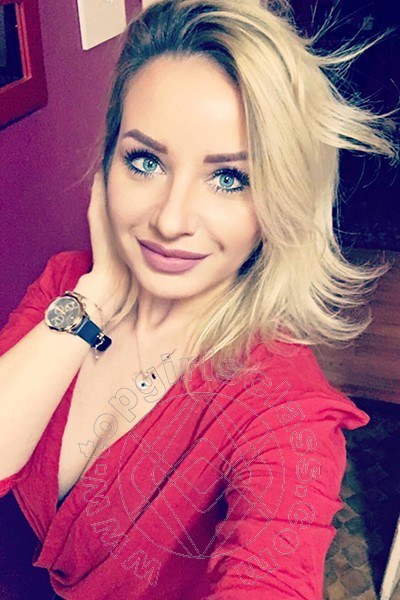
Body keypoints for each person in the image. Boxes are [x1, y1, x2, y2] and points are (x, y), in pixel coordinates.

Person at [0, 0, 397, 598]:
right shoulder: (67, 286)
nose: (171, 220)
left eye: (230, 178)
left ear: (282, 198)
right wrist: (96, 298)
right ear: (107, 165)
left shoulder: (283, 410)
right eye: (145, 161)